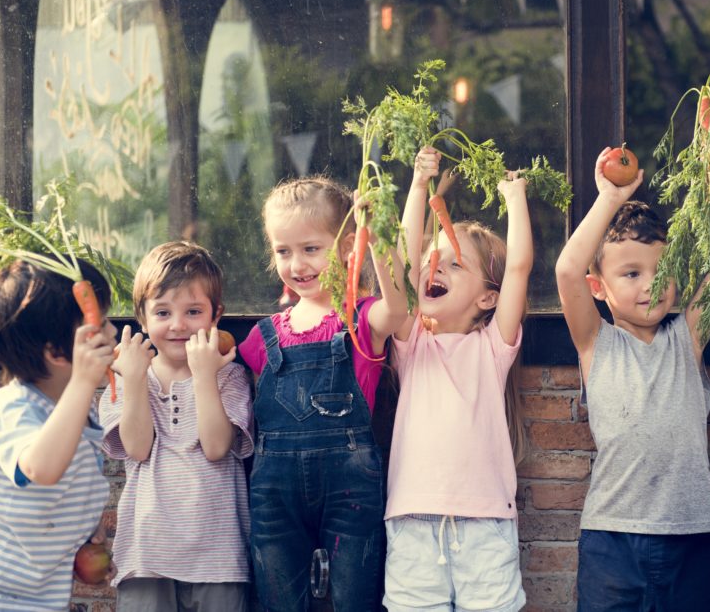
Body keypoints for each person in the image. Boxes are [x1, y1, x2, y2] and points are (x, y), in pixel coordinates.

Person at [556, 144, 710, 611]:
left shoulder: (686, 339)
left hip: (689, 537)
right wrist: (609, 198)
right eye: (631, 273)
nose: (651, 283)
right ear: (600, 288)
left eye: (662, 271)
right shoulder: (596, 342)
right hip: (612, 541)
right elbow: (567, 269)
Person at [238, 176, 409, 611]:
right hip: (275, 496)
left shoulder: (360, 318)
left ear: (347, 246)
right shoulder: (264, 336)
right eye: (283, 251)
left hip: (350, 493)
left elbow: (398, 310)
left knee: (354, 600)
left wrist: (378, 238)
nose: (297, 264)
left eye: (311, 248)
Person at [382, 147, 531, 612]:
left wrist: (516, 199)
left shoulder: (492, 349)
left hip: (485, 524)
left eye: (453, 265)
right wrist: (418, 186)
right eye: (434, 259)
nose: (435, 269)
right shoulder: (412, 343)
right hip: (412, 523)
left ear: (488, 298)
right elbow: (401, 270)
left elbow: (520, 269)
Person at [100, 241, 254, 611]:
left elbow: (217, 447)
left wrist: (204, 376)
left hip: (218, 558)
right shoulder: (124, 379)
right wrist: (135, 379)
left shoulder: (228, 376)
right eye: (163, 312)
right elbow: (137, 447)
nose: (178, 325)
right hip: (146, 556)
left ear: (216, 315)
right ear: (142, 317)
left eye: (193, 311)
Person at [0, 258, 116, 610]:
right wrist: (83, 381)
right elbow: (41, 468)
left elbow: (71, 481)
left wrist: (84, 531)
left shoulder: (76, 407)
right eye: (101, 323)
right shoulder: (15, 407)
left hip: (41, 592)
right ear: (57, 352)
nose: (111, 333)